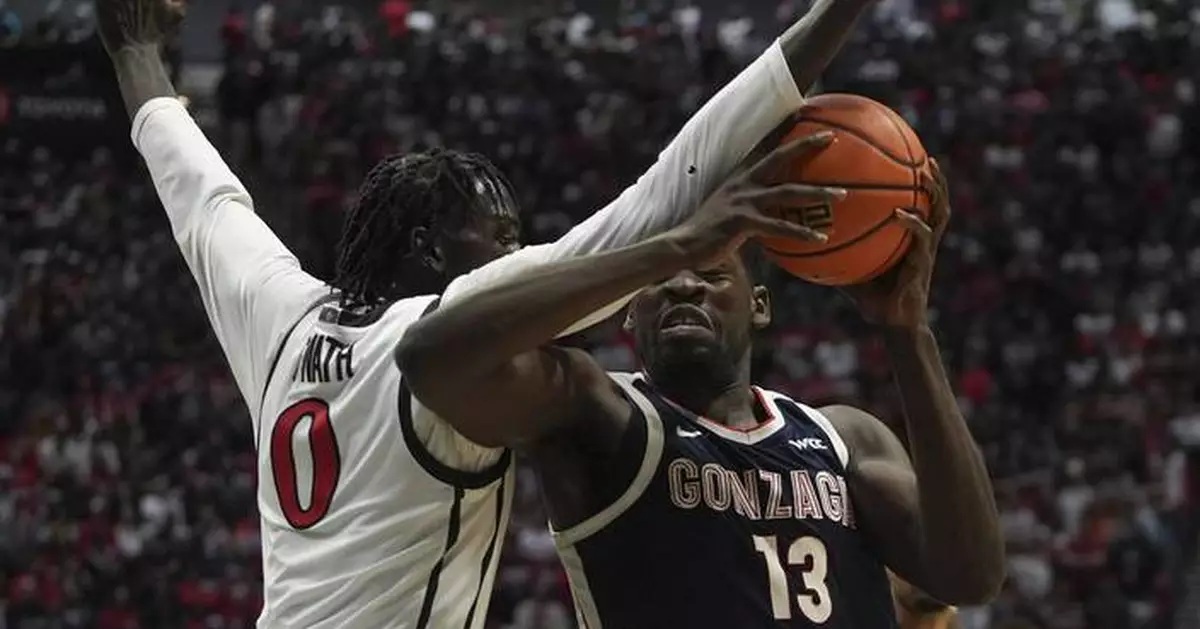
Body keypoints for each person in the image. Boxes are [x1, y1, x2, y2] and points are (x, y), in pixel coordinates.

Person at [94, 0, 882, 626]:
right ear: (431, 249)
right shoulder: (452, 320)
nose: (517, 253)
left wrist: (134, 52)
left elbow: (201, 198)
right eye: (500, 239)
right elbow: (657, 197)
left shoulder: (283, 317)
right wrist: (835, 19)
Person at [397, 160, 1006, 626]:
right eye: (661, 281)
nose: (685, 283)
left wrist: (907, 334)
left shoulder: (844, 437)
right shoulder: (596, 414)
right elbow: (431, 360)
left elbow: (971, 575)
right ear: (628, 315)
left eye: (713, 273)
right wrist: (678, 243)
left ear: (759, 306)